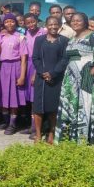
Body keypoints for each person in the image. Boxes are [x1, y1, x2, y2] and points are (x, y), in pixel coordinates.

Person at [55, 12, 94, 144]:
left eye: (78, 20)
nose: (75, 22)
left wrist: (90, 74)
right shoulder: (72, 38)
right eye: (73, 20)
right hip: (71, 79)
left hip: (87, 78)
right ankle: (70, 138)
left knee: (85, 106)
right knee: (71, 107)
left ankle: (84, 140)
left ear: (85, 22)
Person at [32, 16, 69, 144]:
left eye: (55, 24)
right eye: (50, 24)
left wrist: (52, 73)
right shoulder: (39, 40)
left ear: (59, 26)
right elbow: (35, 58)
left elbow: (65, 59)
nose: (53, 27)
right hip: (41, 77)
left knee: (53, 107)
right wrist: (42, 72)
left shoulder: (64, 41)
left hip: (56, 78)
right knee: (38, 108)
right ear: (46, 26)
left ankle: (51, 133)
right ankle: (38, 134)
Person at [0, 13, 28, 134]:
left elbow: (24, 58)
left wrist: (22, 76)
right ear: (3, 24)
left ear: (16, 23)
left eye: (12, 21)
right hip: (3, 68)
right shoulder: (1, 36)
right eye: (6, 22)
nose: (9, 23)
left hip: (15, 66)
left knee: (14, 97)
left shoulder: (20, 37)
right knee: (4, 96)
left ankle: (12, 124)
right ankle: (5, 121)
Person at [22, 13, 46, 137]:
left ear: (37, 21)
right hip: (27, 65)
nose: (31, 25)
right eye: (28, 23)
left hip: (38, 65)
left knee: (35, 98)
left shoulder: (43, 33)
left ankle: (36, 128)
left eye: (33, 22)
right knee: (29, 98)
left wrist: (36, 72)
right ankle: (31, 125)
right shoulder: (25, 34)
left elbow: (43, 55)